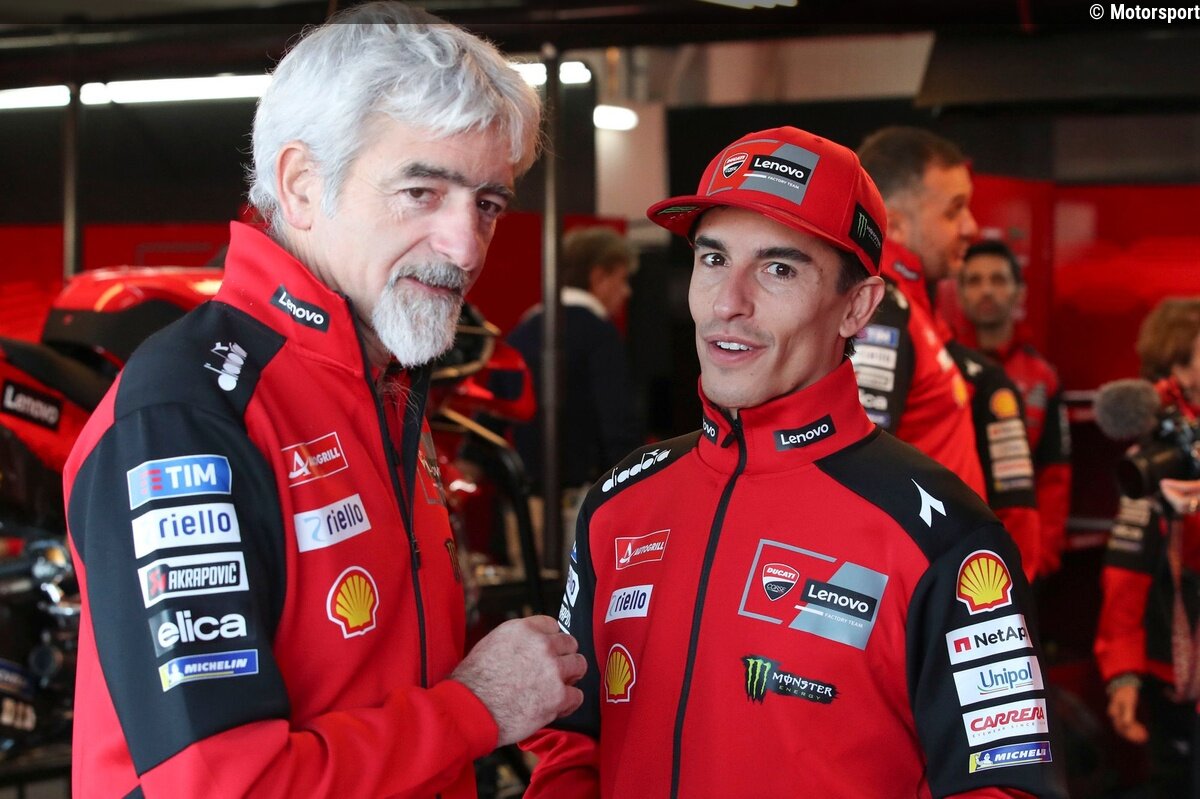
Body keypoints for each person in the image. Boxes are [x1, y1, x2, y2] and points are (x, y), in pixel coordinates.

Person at [62, 5, 585, 797]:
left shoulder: (386, 381)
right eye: (421, 191)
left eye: (487, 203)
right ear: (302, 186)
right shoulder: (187, 416)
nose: (465, 246)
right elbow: (225, 787)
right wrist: (475, 706)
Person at [523, 126, 1065, 797]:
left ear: (857, 307)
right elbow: (573, 742)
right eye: (714, 259)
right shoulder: (618, 503)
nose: (728, 303)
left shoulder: (942, 536)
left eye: (778, 269)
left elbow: (1005, 784)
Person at [857, 126, 1042, 582]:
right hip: (914, 586)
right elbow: (855, 468)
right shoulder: (883, 310)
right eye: (954, 209)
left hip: (945, 579)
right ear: (896, 223)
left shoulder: (916, 312)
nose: (971, 227)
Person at [1095, 297, 1200, 798]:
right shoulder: (1158, 455)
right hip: (1175, 671)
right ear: (1178, 367)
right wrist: (1123, 675)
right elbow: (1127, 571)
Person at [505, 226, 643, 521]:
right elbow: (617, 423)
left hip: (523, 506)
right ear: (599, 276)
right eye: (623, 279)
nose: (627, 292)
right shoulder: (600, 334)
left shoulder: (522, 332)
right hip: (584, 505)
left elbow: (494, 415)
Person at [958, 240, 1073, 578]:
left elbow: (1054, 474)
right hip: (951, 536)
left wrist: (1043, 556)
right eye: (974, 281)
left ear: (1019, 293)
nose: (986, 290)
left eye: (998, 280)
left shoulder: (1042, 376)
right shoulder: (941, 366)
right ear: (960, 294)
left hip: (1019, 550)